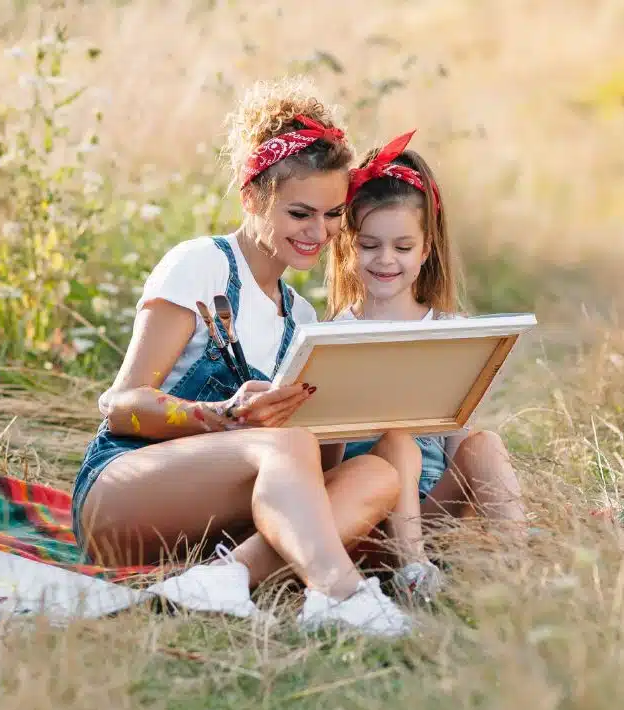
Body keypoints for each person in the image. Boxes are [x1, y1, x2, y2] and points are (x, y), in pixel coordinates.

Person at [70, 78, 413, 638]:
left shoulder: (302, 318)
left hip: (213, 526)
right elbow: (120, 404)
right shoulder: (201, 264)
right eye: (300, 213)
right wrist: (223, 415)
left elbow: (303, 478)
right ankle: (340, 594)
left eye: (332, 215)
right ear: (253, 197)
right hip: (123, 493)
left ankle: (221, 579)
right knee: (288, 443)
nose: (319, 233)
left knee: (377, 473)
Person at [323, 129, 530, 603]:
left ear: (426, 249)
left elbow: (460, 440)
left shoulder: (448, 328)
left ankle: (521, 563)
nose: (385, 259)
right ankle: (413, 572)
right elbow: (322, 460)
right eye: (369, 245)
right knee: (397, 440)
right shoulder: (332, 334)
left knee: (485, 444)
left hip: (434, 515)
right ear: (348, 246)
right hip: (362, 519)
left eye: (402, 246)